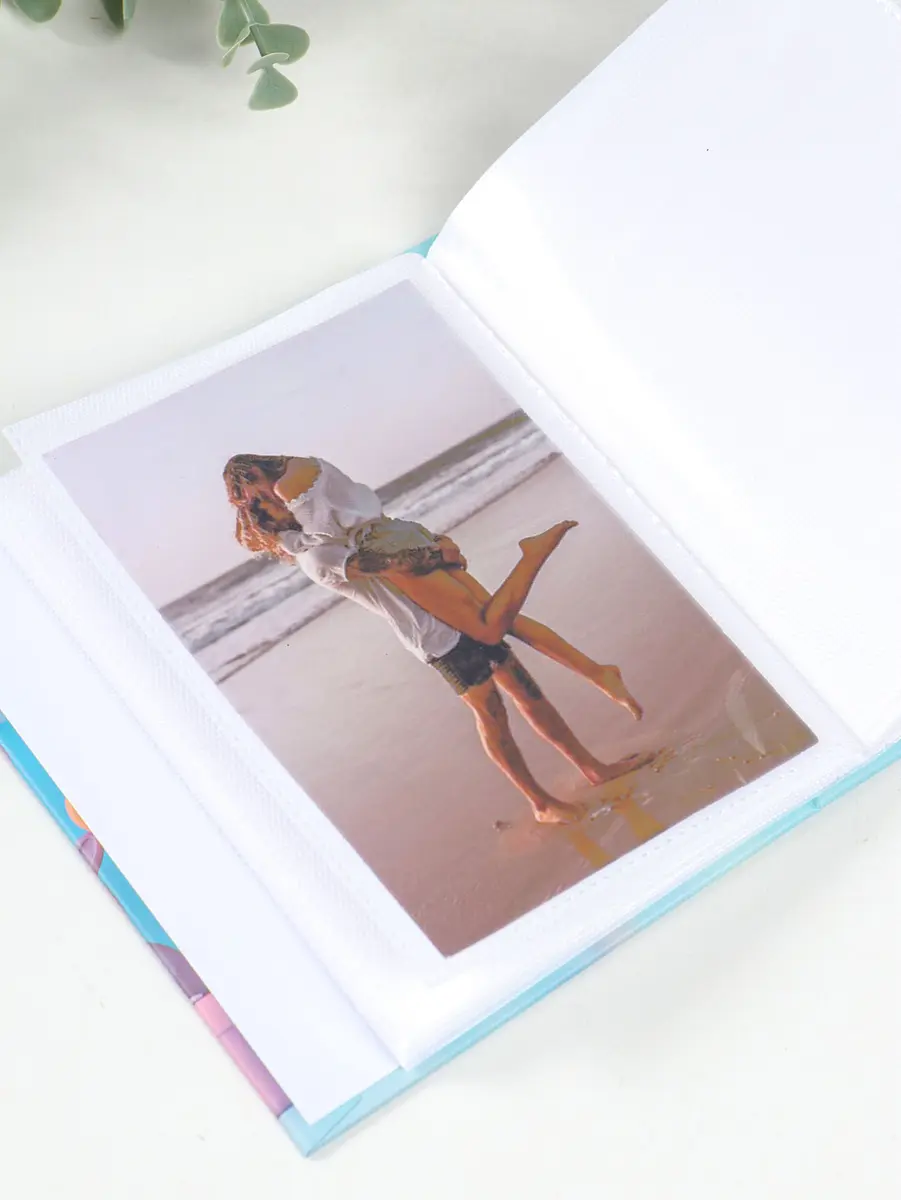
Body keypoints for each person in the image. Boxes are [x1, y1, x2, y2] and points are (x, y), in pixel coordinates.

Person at [223, 453, 650, 824]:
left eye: (278, 498)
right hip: (436, 636)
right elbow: (391, 565)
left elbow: (380, 536)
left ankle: (592, 767)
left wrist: (436, 548)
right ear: (270, 522)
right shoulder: (317, 555)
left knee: (527, 692)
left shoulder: (332, 531)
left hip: (451, 612)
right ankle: (540, 803)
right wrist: (440, 551)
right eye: (271, 505)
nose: (283, 502)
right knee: (492, 715)